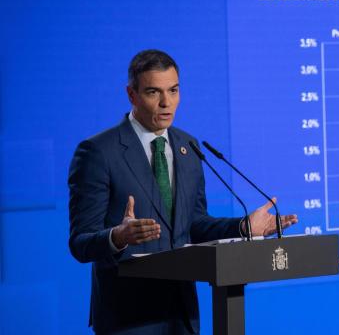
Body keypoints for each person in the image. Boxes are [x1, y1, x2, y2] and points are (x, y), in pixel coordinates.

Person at [68, 49, 297, 334]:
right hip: (128, 317)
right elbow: (80, 242)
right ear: (132, 95)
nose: (167, 103)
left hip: (183, 315)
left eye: (173, 90)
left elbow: (194, 225)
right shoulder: (98, 152)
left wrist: (243, 226)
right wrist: (118, 236)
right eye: (154, 92)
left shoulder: (187, 148)